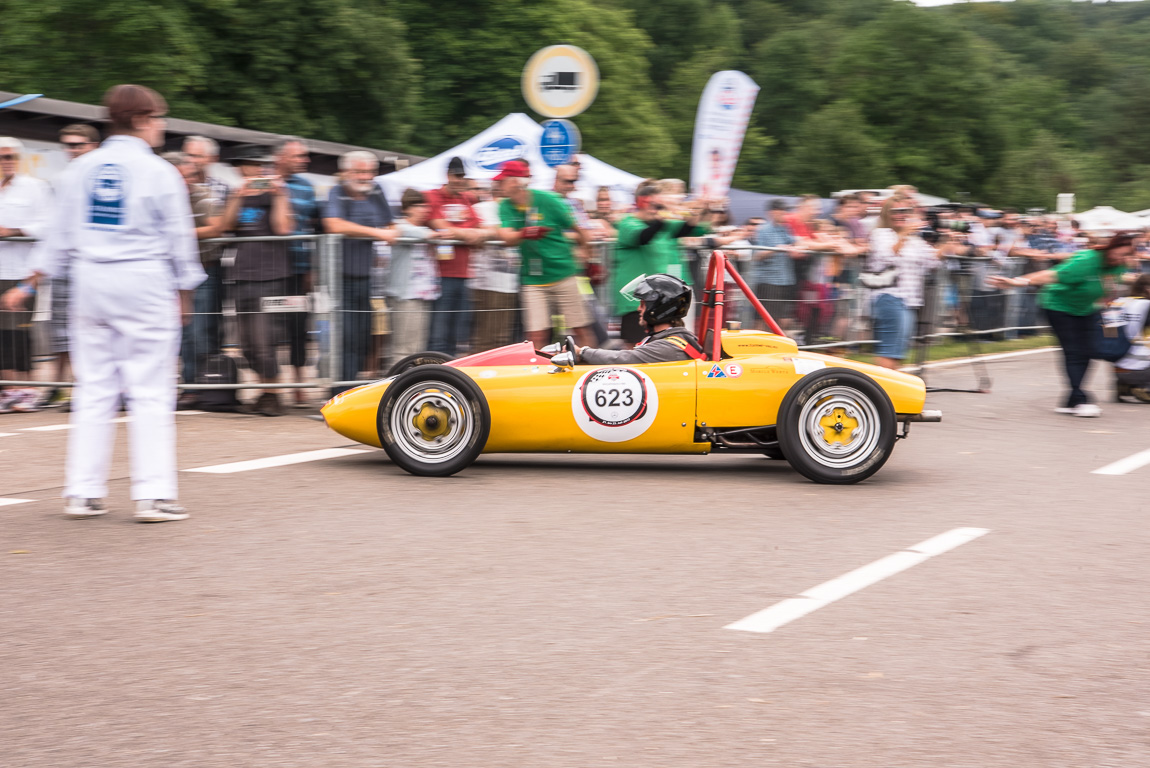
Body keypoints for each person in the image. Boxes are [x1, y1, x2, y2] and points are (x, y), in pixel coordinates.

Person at [1, 84, 205, 522]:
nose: (162, 125)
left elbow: (58, 235)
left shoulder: (81, 168)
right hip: (144, 280)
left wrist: (29, 283)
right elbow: (179, 242)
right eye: (158, 117)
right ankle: (152, 495)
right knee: (150, 389)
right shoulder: (158, 172)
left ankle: (82, 492)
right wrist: (185, 292)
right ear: (141, 119)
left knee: (94, 388)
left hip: (90, 282)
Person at [990, 232, 1137, 417]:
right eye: (1121, 254)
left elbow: (1117, 280)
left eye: (1128, 256)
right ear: (1111, 248)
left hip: (1087, 309)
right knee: (1074, 351)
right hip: (1059, 306)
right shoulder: (1087, 260)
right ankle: (1080, 399)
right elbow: (1051, 275)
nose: (1124, 259)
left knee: (1090, 350)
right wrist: (1016, 282)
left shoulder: (1118, 266)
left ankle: (1070, 401)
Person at [218, 143, 293, 415]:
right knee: (247, 343)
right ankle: (263, 390)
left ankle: (272, 394)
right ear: (242, 168)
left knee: (265, 340)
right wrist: (239, 195)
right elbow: (225, 226)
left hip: (272, 275)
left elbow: (284, 228)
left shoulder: (276, 194)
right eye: (253, 165)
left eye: (262, 165)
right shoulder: (236, 194)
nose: (259, 170)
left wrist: (280, 194)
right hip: (242, 274)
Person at [496, 160, 595, 349]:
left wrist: (586, 254)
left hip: (563, 274)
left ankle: (590, 366)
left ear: (515, 182)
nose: (498, 185)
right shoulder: (505, 206)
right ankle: (537, 373)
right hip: (533, 280)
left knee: (579, 328)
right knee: (536, 334)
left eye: (502, 180)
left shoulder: (548, 200)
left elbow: (579, 228)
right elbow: (506, 237)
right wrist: (524, 233)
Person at [322, 150, 396, 393]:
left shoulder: (375, 192)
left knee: (363, 338)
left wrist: (391, 232)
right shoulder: (337, 192)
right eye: (360, 172)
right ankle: (336, 393)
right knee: (343, 338)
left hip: (366, 277)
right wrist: (378, 233)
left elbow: (391, 224)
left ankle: (350, 389)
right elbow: (333, 224)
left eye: (369, 172)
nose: (366, 177)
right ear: (345, 173)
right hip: (339, 277)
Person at [43, 125, 101, 409]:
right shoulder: (61, 178)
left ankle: (86, 388)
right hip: (66, 263)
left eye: (79, 144)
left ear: (94, 145)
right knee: (61, 327)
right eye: (68, 145)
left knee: (91, 329)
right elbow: (54, 224)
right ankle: (59, 385)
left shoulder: (104, 176)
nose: (73, 150)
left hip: (95, 263)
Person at [613, 183, 709, 347]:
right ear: (642, 203)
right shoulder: (628, 224)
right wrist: (661, 218)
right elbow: (643, 237)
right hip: (635, 300)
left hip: (659, 301)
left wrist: (695, 210)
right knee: (634, 348)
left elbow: (691, 228)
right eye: (656, 205)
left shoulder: (665, 226)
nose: (658, 209)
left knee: (668, 345)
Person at [166, 152, 225, 406]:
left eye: (190, 175)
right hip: (166, 272)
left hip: (203, 271)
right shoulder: (162, 197)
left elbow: (215, 228)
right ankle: (183, 385)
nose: (188, 180)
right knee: (174, 333)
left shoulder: (203, 197)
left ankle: (198, 388)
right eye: (183, 175)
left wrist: (177, 233)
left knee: (197, 332)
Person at [0, 137, 52, 413]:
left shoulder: (34, 187)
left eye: (9, 157)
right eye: (1, 157)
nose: (5, 162)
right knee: (1, 333)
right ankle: (9, 389)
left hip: (22, 272)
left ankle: (27, 389)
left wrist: (13, 230)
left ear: (18, 159)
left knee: (20, 331)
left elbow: (48, 225)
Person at [866, 198, 950, 369]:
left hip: (909, 301)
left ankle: (887, 391)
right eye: (895, 211)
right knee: (890, 350)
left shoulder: (915, 240)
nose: (900, 215)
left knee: (898, 352)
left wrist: (949, 239)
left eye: (904, 211)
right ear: (886, 214)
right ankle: (880, 391)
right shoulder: (881, 234)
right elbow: (886, 256)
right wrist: (904, 234)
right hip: (889, 296)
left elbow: (932, 261)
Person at [553, 274, 702, 366]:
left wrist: (583, 352)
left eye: (643, 304)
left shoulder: (670, 346)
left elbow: (625, 358)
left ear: (658, 307)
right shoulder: (666, 340)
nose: (638, 309)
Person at [275, 137, 320, 404]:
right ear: (280, 157)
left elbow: (314, 228)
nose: (305, 160)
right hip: (268, 269)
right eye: (298, 156)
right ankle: (272, 385)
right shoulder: (266, 180)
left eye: (304, 156)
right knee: (268, 326)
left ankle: (298, 381)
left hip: (299, 268)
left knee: (298, 325)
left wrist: (311, 268)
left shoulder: (307, 187)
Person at [424, 156, 484, 357]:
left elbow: (482, 230)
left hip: (464, 274)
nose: (460, 180)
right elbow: (437, 224)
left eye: (463, 177)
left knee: (457, 334)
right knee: (439, 332)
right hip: (440, 274)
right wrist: (468, 233)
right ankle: (433, 373)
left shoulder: (466, 199)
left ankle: (448, 375)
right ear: (448, 176)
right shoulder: (432, 196)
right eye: (457, 176)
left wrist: (459, 232)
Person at [387, 189, 443, 361]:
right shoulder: (399, 227)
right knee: (403, 349)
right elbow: (409, 232)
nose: (425, 209)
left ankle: (413, 385)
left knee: (417, 348)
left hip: (423, 296)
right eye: (419, 205)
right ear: (407, 208)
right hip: (406, 297)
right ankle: (396, 385)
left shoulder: (424, 230)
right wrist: (436, 234)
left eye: (426, 205)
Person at [749, 200, 803, 332]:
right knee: (764, 319)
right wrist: (776, 249)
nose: (785, 213)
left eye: (785, 210)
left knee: (782, 320)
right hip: (768, 281)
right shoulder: (763, 230)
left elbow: (796, 242)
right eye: (782, 210)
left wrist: (797, 247)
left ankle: (772, 347)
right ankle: (757, 347)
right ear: (773, 212)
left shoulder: (785, 229)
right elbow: (756, 255)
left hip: (785, 280)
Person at [1112, 274, 1150, 403]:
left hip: (1118, 368)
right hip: (1142, 368)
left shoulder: (1117, 302)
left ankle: (1124, 386)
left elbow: (1109, 334)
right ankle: (1144, 388)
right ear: (1147, 289)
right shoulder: (1147, 305)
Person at [182, 135, 230, 203]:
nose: (190, 160)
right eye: (187, 155)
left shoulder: (221, 188)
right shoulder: (172, 182)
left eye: (198, 156)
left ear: (213, 159)